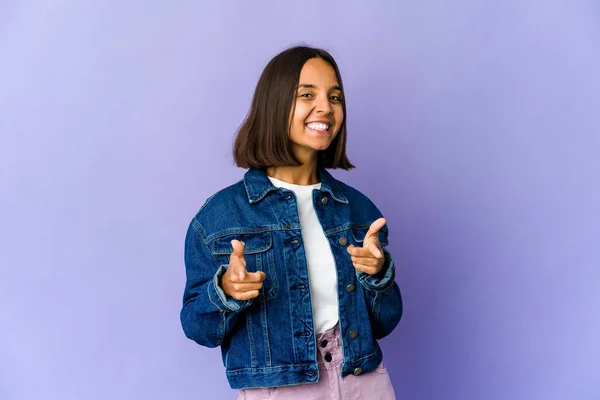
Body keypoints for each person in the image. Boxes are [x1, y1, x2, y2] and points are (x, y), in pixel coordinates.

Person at [180, 45, 403, 399]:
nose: (325, 108)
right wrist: (226, 292)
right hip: (281, 387)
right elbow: (198, 327)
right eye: (307, 95)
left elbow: (387, 321)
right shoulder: (221, 217)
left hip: (364, 379)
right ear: (275, 104)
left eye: (335, 96)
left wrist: (378, 276)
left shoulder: (358, 210)